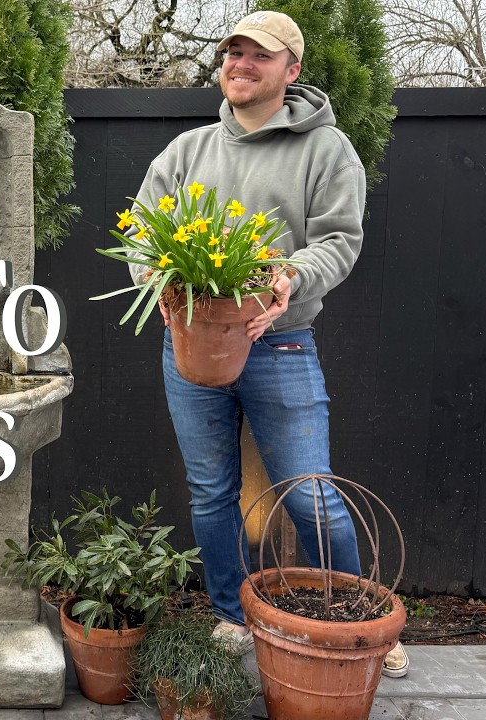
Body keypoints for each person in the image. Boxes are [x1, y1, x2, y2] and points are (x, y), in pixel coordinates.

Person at [132, 10, 408, 678]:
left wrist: (292, 275)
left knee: (312, 494)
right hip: (191, 348)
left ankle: (367, 625)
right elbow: (143, 231)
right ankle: (231, 614)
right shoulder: (188, 152)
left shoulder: (326, 150)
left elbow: (340, 239)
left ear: (292, 69)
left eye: (259, 55)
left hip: (280, 347)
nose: (241, 64)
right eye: (233, 52)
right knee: (210, 491)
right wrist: (155, 280)